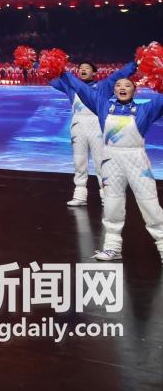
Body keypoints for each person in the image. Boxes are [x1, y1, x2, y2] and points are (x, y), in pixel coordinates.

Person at [49, 57, 163, 262]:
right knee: (112, 204)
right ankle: (112, 248)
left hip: (137, 161)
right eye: (118, 85)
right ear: (113, 90)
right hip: (111, 160)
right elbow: (80, 88)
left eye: (127, 85)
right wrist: (61, 70)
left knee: (150, 204)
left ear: (134, 91)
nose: (122, 87)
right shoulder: (102, 105)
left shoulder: (145, 109)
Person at [50, 59, 134, 207]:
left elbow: (121, 74)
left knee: (101, 162)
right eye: (81, 68)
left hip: (97, 125)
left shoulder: (103, 86)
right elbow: (50, 76)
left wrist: (137, 62)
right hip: (78, 126)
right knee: (79, 161)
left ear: (94, 72)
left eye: (87, 68)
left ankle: (107, 197)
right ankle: (80, 195)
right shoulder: (71, 86)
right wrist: (35, 64)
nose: (83, 69)